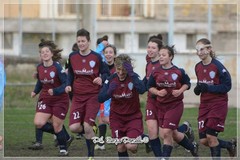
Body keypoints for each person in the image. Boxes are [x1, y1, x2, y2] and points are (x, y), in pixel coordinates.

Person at [65, 28, 110, 159]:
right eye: (78, 41)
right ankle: (92, 128)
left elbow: (106, 72)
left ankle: (91, 156)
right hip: (78, 97)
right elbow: (71, 74)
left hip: (93, 96)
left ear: (88, 42)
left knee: (86, 126)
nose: (81, 43)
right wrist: (68, 84)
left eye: (83, 41)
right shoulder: (72, 56)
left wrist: (101, 79)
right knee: (73, 127)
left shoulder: (96, 57)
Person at [147, 45, 199, 159]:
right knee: (171, 134)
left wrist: (180, 90)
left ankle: (164, 157)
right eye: (160, 55)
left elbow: (187, 83)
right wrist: (157, 92)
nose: (160, 57)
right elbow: (149, 86)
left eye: (163, 55)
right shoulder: (155, 72)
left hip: (175, 106)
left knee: (166, 132)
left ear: (170, 57)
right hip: (160, 106)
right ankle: (192, 147)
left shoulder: (178, 71)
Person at [193, 38, 236, 159]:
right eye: (197, 50)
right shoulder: (197, 67)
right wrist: (198, 89)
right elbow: (202, 83)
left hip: (218, 104)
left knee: (211, 137)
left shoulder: (218, 67)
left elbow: (227, 86)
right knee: (203, 140)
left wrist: (208, 88)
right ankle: (229, 145)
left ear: (209, 49)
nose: (199, 52)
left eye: (202, 49)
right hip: (204, 105)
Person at [98, 54, 146, 159]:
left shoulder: (133, 77)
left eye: (123, 70)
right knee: (120, 147)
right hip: (117, 118)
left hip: (133, 117)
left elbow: (142, 89)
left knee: (131, 146)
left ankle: (137, 140)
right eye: (118, 69)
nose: (120, 73)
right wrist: (109, 92)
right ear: (115, 67)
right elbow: (100, 98)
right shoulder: (110, 79)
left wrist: (132, 74)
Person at [31, 39, 73, 156]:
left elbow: (65, 83)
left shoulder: (57, 67)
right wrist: (35, 91)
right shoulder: (39, 67)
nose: (44, 53)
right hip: (46, 98)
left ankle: (63, 149)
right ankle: (66, 137)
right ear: (40, 55)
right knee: (39, 123)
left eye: (47, 51)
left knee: (57, 125)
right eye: (42, 52)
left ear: (51, 54)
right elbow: (40, 81)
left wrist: (55, 91)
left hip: (60, 99)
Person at [94, 44, 117, 151]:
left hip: (116, 97)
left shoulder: (118, 68)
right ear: (103, 54)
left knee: (109, 119)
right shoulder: (100, 67)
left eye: (110, 52)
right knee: (101, 119)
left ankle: (133, 135)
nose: (108, 54)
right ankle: (101, 143)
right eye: (106, 52)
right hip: (104, 96)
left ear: (115, 55)